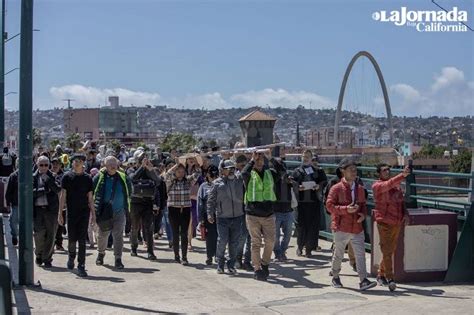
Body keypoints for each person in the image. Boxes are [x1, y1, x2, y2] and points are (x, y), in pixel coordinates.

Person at [326, 158, 376, 291]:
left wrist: (363, 215)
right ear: (343, 171)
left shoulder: (359, 188)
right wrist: (345, 210)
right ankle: (335, 276)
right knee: (339, 254)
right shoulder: (336, 188)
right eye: (351, 170)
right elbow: (329, 206)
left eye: (355, 169)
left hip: (357, 226)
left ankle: (363, 280)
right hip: (341, 227)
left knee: (360, 254)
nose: (354, 172)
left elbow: (363, 205)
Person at [242, 149, 285, 281]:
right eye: (257, 159)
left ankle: (265, 263)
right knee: (255, 243)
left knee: (270, 241)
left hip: (268, 214)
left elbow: (282, 171)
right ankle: (257, 268)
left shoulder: (269, 173)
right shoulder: (249, 174)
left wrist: (270, 157)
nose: (259, 161)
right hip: (252, 214)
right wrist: (251, 160)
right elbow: (243, 172)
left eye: (261, 159)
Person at [372, 163, 410, 292]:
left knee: (390, 250)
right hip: (384, 222)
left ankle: (381, 274)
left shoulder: (396, 186)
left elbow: (401, 201)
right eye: (384, 170)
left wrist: (405, 214)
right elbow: (387, 185)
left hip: (396, 222)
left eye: (388, 169)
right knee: (387, 250)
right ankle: (390, 278)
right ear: (379, 173)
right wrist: (402, 175)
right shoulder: (377, 185)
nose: (387, 172)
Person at [58, 153, 95, 277]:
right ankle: (71, 257)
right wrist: (60, 213)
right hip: (71, 212)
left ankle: (81, 265)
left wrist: (93, 214)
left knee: (82, 240)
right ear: (72, 163)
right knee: (72, 238)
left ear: (83, 163)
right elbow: (63, 195)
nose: (77, 163)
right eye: (75, 161)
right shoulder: (67, 177)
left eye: (79, 161)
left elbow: (90, 198)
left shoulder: (88, 178)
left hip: (84, 212)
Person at [93, 156, 132, 269]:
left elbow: (130, 189)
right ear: (105, 166)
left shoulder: (123, 177)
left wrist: (127, 206)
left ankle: (118, 258)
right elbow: (91, 190)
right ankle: (101, 253)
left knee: (118, 235)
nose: (113, 166)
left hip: (119, 211)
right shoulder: (100, 177)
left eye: (114, 163)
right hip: (104, 211)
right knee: (103, 235)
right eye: (110, 164)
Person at [207, 160, 245, 274]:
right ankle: (220, 263)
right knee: (222, 241)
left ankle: (231, 265)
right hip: (222, 217)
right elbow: (211, 200)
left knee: (234, 243)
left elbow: (246, 169)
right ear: (222, 170)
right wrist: (210, 213)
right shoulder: (217, 183)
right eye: (228, 168)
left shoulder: (239, 180)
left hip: (237, 216)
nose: (231, 170)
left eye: (232, 168)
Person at [292, 150, 327, 258]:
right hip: (302, 203)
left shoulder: (317, 170)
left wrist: (318, 186)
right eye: (304, 156)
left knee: (312, 226)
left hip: (314, 202)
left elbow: (324, 181)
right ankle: (300, 246)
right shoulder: (297, 171)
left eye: (307, 156)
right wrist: (298, 187)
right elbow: (292, 183)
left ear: (311, 158)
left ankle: (309, 249)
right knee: (301, 226)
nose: (305, 158)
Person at [130, 153, 160, 260]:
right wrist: (141, 168)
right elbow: (132, 179)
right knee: (135, 227)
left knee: (149, 228)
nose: (144, 162)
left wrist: (150, 169)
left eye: (145, 161)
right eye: (141, 161)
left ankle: (150, 251)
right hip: (135, 203)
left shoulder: (150, 171)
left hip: (147, 203)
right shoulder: (132, 170)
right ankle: (133, 248)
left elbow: (158, 181)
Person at [33, 156, 61, 267]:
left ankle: (47, 258)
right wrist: (43, 190)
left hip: (51, 211)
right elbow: (31, 192)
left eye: (46, 165)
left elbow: (57, 189)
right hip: (38, 210)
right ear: (37, 165)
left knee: (51, 235)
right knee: (39, 235)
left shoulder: (53, 176)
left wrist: (48, 181)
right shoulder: (33, 177)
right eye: (41, 165)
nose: (44, 167)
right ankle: (39, 254)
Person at [165, 162, 195, 265]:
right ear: (175, 172)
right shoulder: (170, 181)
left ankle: (184, 257)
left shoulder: (188, 181)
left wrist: (194, 163)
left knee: (184, 234)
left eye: (182, 171)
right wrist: (175, 165)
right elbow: (166, 174)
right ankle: (176, 256)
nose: (181, 173)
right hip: (173, 209)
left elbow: (198, 173)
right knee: (175, 233)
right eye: (179, 171)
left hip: (185, 209)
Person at [272, 157, 295, 261]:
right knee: (275, 236)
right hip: (276, 210)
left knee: (288, 234)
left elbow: (296, 185)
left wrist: (291, 182)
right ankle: (277, 253)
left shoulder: (288, 176)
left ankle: (282, 251)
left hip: (288, 210)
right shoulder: (272, 176)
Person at [197, 165, 219, 265]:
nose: (214, 177)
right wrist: (200, 218)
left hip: (220, 214)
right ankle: (209, 256)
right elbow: (200, 203)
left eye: (215, 174)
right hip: (208, 215)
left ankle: (218, 256)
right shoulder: (203, 186)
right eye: (211, 174)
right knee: (210, 237)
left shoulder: (221, 184)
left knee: (220, 237)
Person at [234, 154, 252, 271]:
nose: (243, 167)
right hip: (240, 210)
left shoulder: (251, 175)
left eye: (245, 165)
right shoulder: (237, 176)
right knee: (242, 237)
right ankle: (238, 259)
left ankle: (247, 261)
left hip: (251, 208)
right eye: (241, 165)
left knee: (251, 238)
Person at [51, 158, 67, 251]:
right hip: (51, 204)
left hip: (62, 204)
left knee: (61, 225)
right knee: (52, 226)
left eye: (57, 164)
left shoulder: (64, 176)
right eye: (53, 163)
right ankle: (51, 244)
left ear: (61, 165)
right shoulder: (48, 175)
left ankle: (59, 244)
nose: (55, 165)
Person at [5, 165, 19, 246]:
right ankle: (14, 235)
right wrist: (7, 203)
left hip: (27, 204)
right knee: (13, 221)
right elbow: (8, 191)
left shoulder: (31, 175)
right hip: (15, 203)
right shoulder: (13, 176)